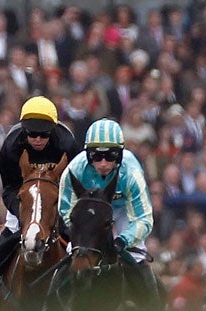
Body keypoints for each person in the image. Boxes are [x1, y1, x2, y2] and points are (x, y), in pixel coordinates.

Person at [55, 120, 157, 296]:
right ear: (88, 155)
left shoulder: (132, 173)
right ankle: (49, 307)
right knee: (72, 252)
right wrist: (83, 236)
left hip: (125, 210)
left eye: (110, 156)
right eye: (96, 156)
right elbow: (66, 211)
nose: (103, 163)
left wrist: (122, 240)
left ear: (119, 155)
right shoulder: (73, 171)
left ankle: (153, 310)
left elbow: (144, 218)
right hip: (87, 215)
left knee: (136, 255)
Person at [0, 95, 79, 285]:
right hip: (24, 200)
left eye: (44, 135)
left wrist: (54, 210)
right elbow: (10, 189)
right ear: (24, 130)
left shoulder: (68, 145)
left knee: (77, 240)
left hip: (56, 201)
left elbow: (75, 185)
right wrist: (26, 212)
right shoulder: (10, 148)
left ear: (52, 131)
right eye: (32, 134)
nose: (37, 139)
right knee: (8, 234)